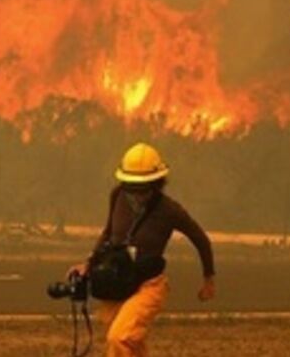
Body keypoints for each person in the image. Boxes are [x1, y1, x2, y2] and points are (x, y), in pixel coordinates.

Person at [67, 142, 216, 357]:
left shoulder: (169, 210)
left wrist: (208, 278)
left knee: (120, 337)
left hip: (149, 285)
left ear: (157, 184)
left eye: (143, 189)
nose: (136, 195)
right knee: (131, 344)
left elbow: (200, 239)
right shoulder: (117, 196)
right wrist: (88, 264)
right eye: (131, 188)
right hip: (119, 283)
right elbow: (108, 232)